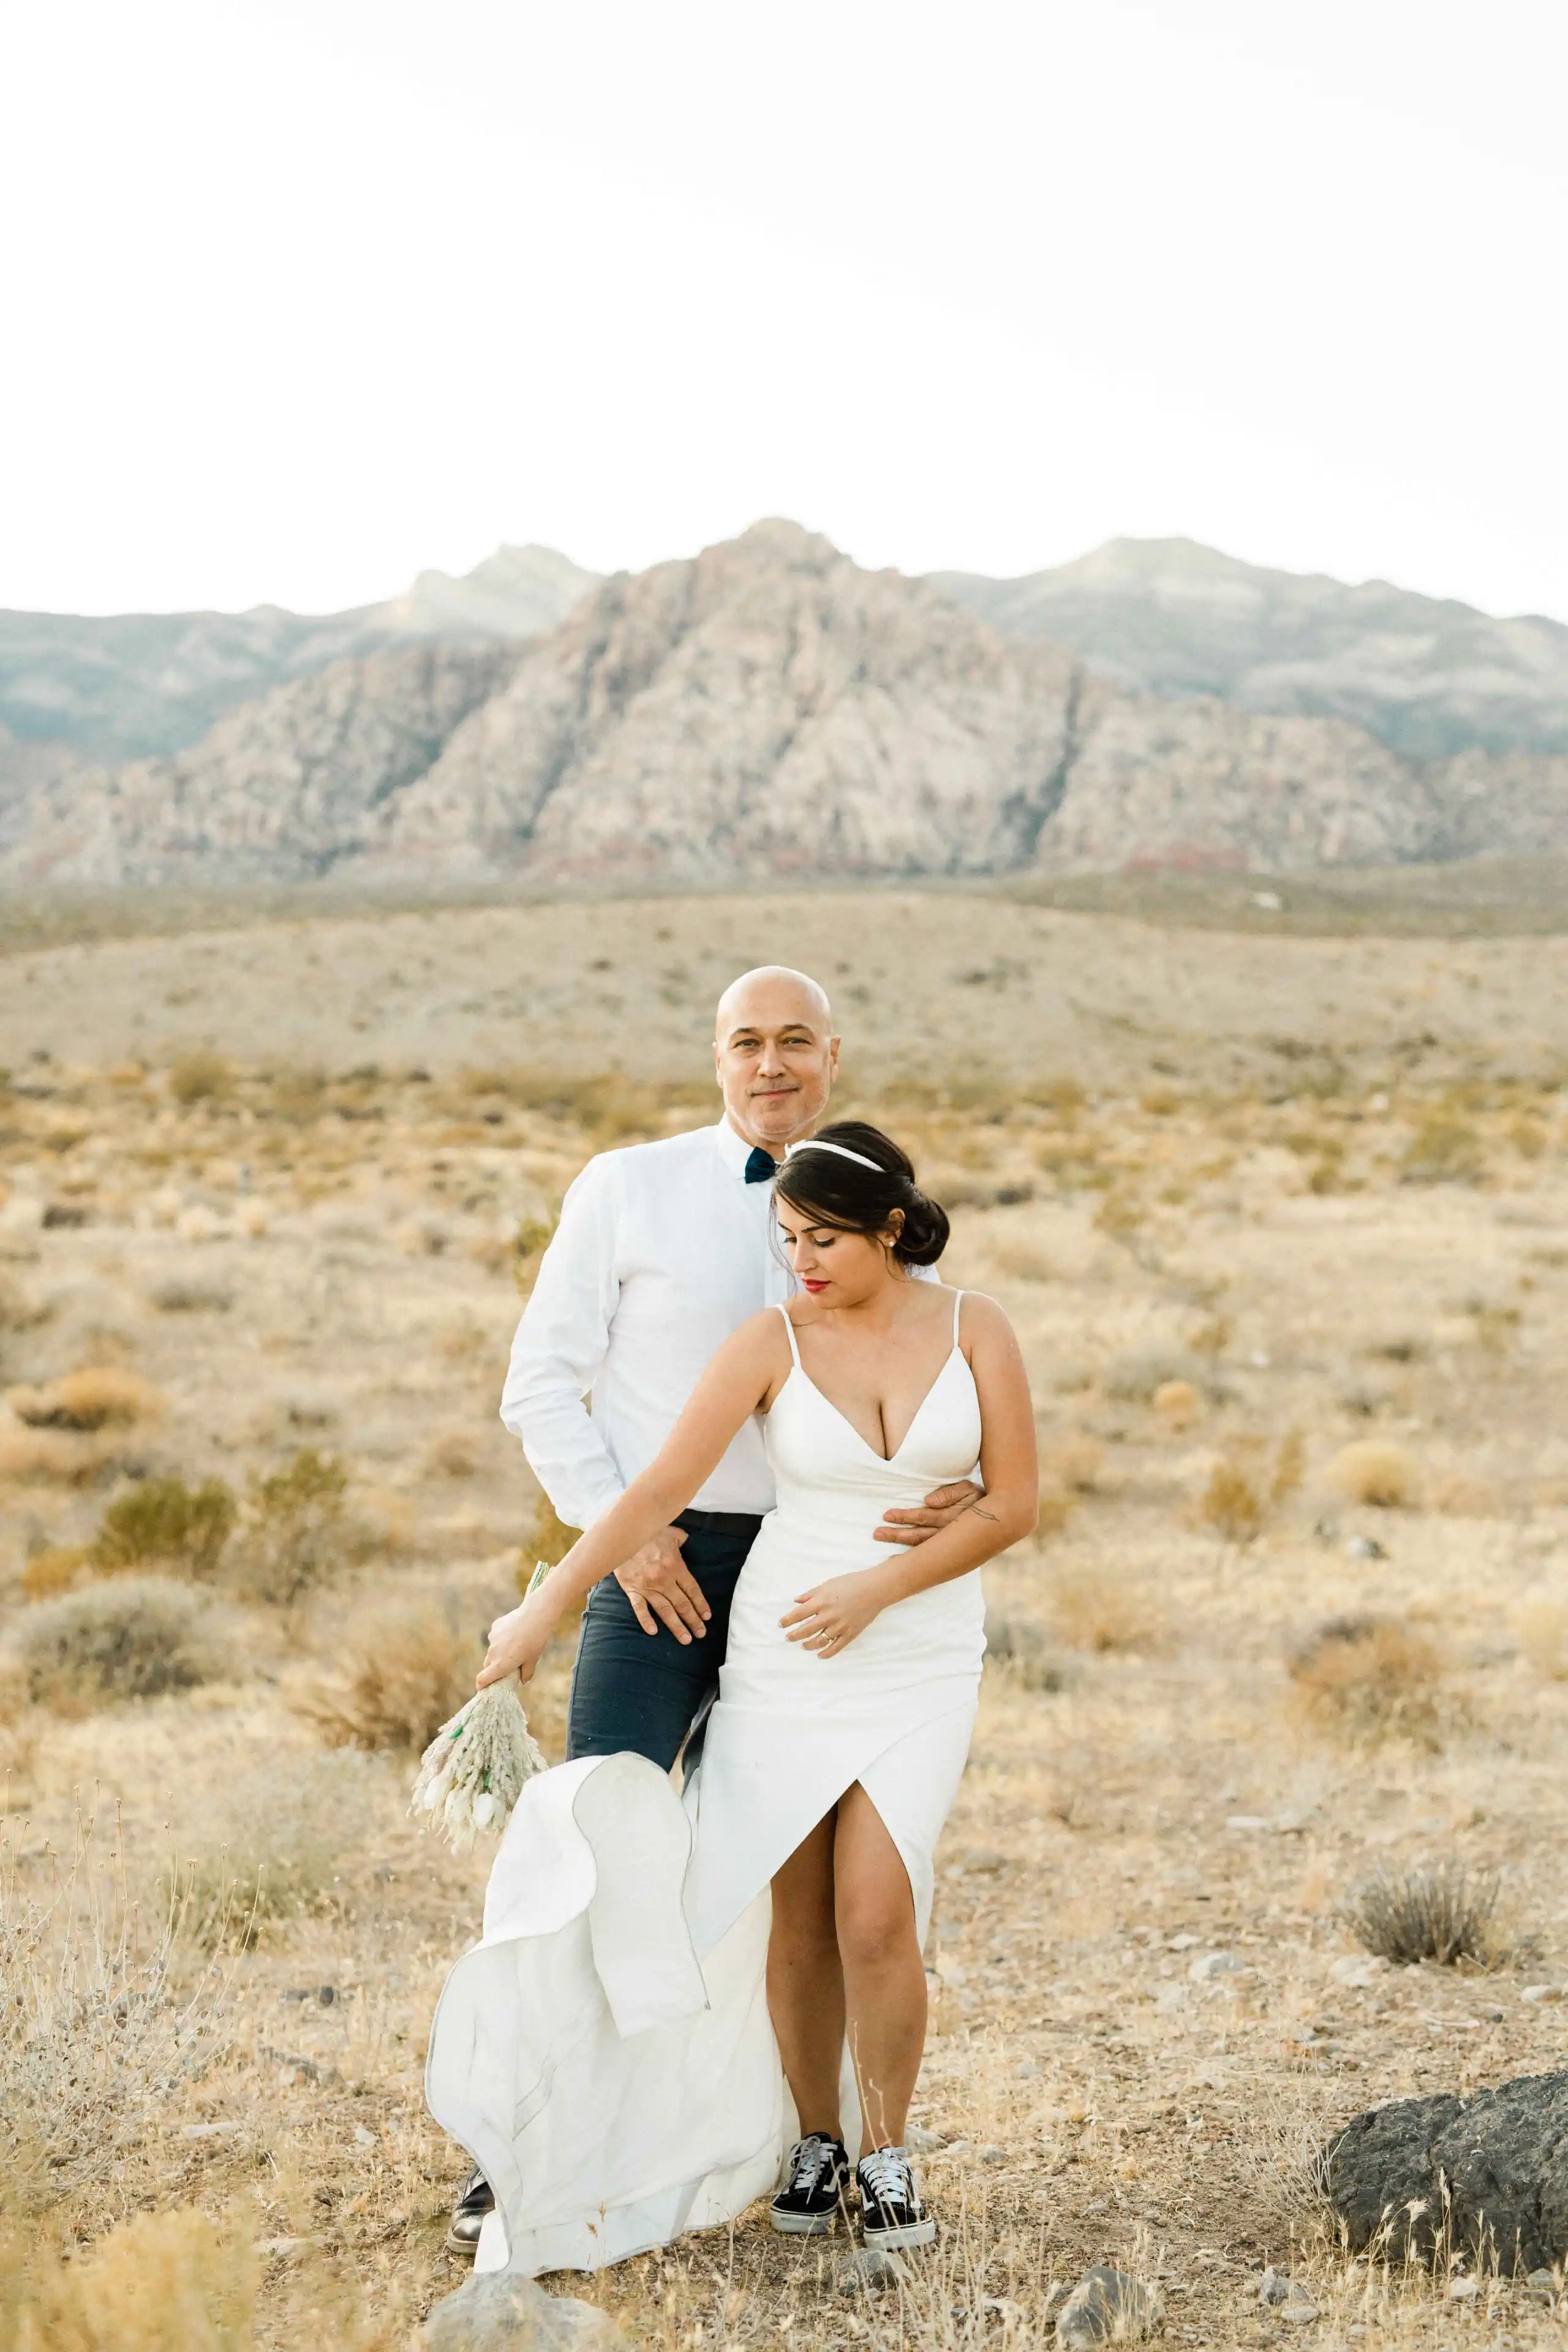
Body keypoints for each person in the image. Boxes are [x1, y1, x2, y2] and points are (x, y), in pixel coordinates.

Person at [425, 1122, 1038, 2272]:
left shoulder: (978, 1326)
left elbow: (1015, 1503)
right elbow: (657, 1483)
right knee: (798, 1915)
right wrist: (541, 1611)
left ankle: (888, 2152)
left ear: (892, 1230)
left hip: (920, 1654)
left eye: (824, 1240)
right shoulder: (770, 1339)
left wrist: (885, 1586)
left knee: (879, 1909)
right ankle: (812, 2142)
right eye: (788, 1237)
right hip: (785, 1652)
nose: (801, 1259)